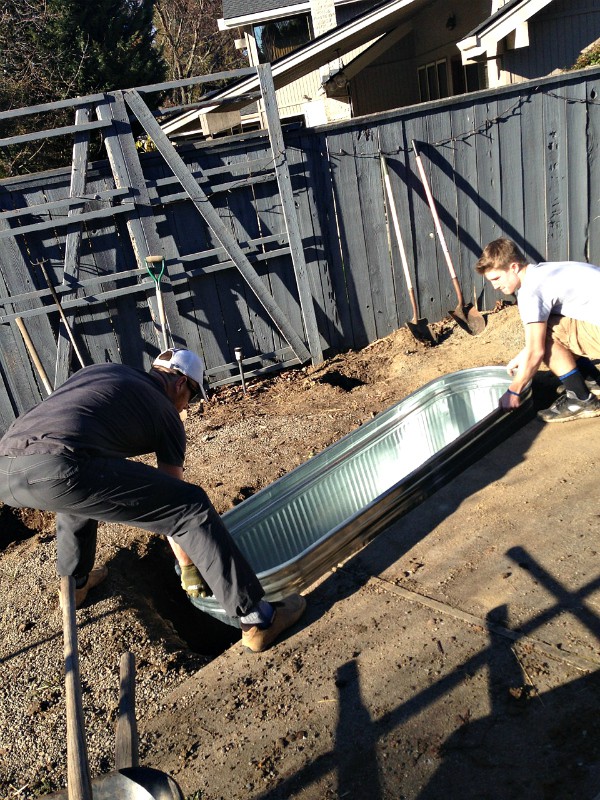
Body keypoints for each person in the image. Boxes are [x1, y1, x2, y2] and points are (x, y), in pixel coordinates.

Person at [0, 348, 306, 652]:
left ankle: (75, 585)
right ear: (180, 384)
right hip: (58, 466)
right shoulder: (165, 412)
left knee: (81, 494)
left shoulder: (103, 372)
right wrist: (187, 568)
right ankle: (258, 619)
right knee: (191, 504)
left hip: (6, 469)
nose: (187, 406)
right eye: (193, 396)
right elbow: (176, 509)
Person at [475, 238, 600, 423]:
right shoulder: (546, 271)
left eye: (496, 278)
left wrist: (514, 390)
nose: (495, 286)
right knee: (553, 322)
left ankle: (580, 399)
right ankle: (593, 379)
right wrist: (522, 355)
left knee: (547, 335)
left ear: (514, 267)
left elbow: (536, 350)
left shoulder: (531, 291)